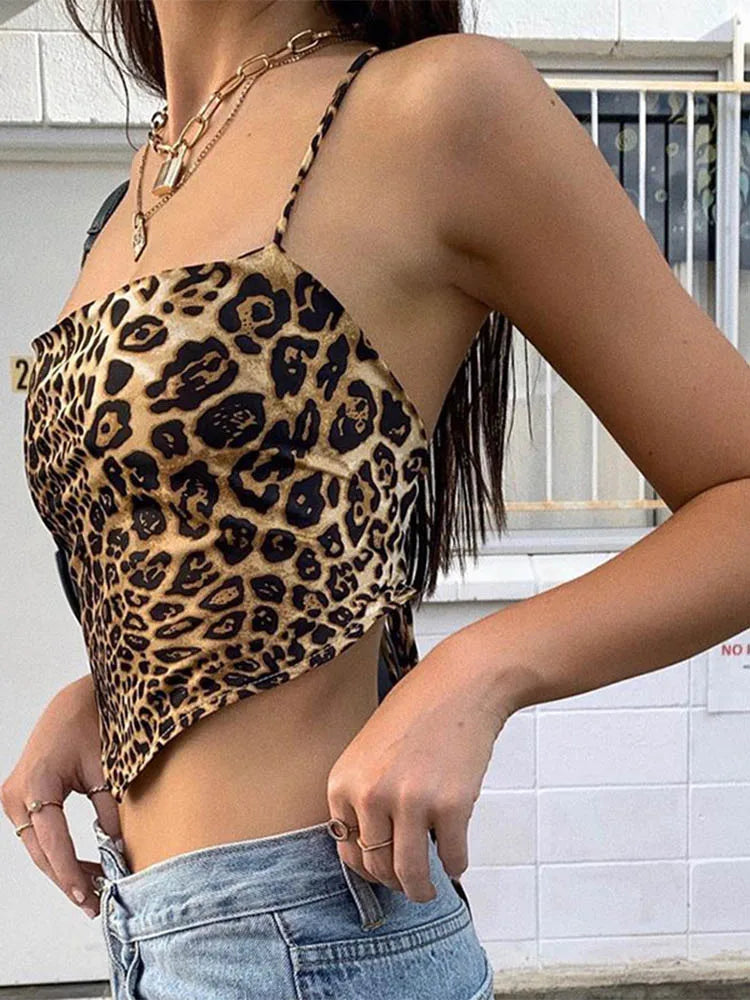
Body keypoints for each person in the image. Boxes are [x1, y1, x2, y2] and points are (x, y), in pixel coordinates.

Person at [5, 0, 750, 997]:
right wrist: (118, 685)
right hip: (151, 934)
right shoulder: (137, 189)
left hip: (311, 939)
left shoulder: (435, 108)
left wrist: (480, 669)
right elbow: (245, 535)